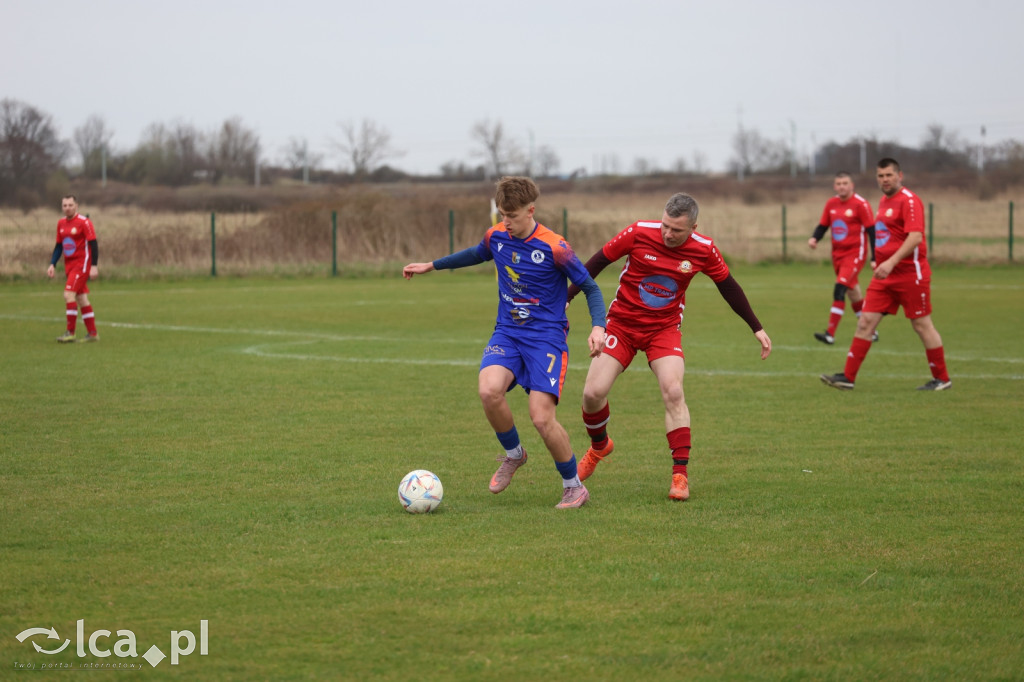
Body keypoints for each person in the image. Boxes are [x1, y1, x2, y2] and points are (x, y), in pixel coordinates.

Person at [402, 176, 607, 509]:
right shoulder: (496, 235)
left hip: (546, 339)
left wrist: (599, 327)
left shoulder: (555, 246)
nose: (506, 222)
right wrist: (432, 265)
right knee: (488, 390)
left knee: (541, 418)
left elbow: (591, 288)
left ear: (531, 210)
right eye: (501, 214)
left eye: (512, 215)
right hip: (508, 332)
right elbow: (476, 253)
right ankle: (514, 455)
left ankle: (573, 486)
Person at [567, 192, 772, 501]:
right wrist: (566, 297)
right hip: (622, 324)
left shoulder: (704, 250)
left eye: (676, 229)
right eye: (665, 225)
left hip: (663, 330)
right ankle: (599, 447)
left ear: (693, 227)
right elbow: (595, 263)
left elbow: (728, 287)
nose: (668, 234)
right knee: (592, 394)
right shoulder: (638, 232)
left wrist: (756, 327)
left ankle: (680, 475)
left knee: (673, 390)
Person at [821, 158, 951, 391]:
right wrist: (880, 262)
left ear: (900, 175)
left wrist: (890, 262)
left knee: (922, 325)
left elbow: (915, 237)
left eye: (889, 175)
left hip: (911, 275)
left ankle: (942, 378)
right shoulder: (884, 200)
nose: (885, 180)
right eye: (881, 176)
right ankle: (847, 377)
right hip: (884, 277)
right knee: (865, 322)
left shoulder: (909, 201)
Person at [807, 171, 878, 345]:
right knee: (853, 293)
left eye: (845, 183)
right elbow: (823, 225)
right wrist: (815, 238)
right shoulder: (831, 203)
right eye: (838, 184)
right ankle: (871, 330)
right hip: (837, 255)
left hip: (855, 255)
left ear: (851, 185)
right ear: (834, 186)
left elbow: (872, 231)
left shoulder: (861, 204)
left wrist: (875, 257)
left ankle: (830, 333)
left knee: (839, 289)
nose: (841, 187)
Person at [46, 195, 100, 343]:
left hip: (82, 265)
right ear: (62, 207)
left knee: (68, 294)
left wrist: (94, 266)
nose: (67, 208)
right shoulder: (61, 223)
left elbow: (94, 244)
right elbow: (59, 246)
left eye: (70, 205)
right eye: (65, 205)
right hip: (69, 265)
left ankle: (70, 332)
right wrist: (52, 264)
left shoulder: (84, 222)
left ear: (76, 205)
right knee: (81, 298)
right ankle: (93, 333)